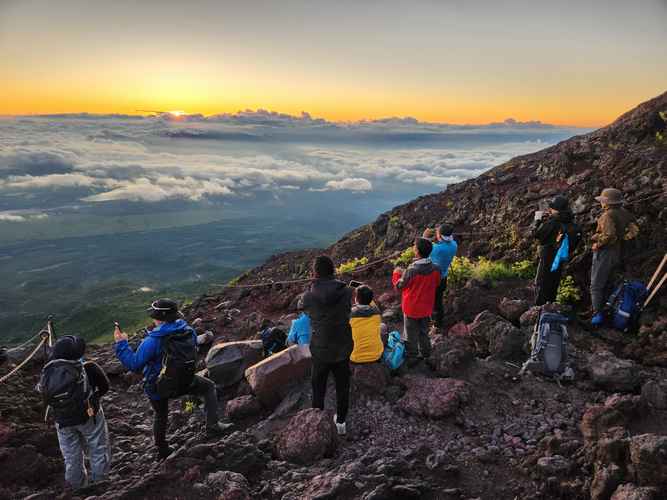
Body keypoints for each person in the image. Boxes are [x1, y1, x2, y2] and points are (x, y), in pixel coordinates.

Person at [114, 298, 230, 459]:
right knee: (208, 387)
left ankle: (162, 450)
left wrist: (121, 343)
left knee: (161, 414)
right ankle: (213, 425)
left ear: (159, 318)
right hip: (185, 381)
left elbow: (134, 365)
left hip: (158, 387)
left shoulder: (153, 340)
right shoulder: (188, 330)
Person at [39, 335, 111, 489]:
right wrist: (94, 398)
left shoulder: (48, 373)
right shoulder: (89, 368)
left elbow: (43, 394)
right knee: (98, 448)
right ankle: (101, 484)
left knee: (71, 456)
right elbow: (105, 387)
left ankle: (77, 488)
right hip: (89, 416)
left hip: (62, 421)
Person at [302, 255, 354, 436]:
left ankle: (318, 422)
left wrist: (312, 284)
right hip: (342, 346)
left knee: (318, 386)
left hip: (320, 348)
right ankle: (341, 422)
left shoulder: (308, 296)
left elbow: (305, 308)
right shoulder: (346, 291)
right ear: (333, 270)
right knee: (343, 386)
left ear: (315, 273)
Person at [590, 188, 639, 326]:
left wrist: (597, 243)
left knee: (596, 285)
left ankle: (597, 314)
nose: (601, 203)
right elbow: (635, 230)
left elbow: (609, 235)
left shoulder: (607, 216)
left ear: (607, 202)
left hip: (605, 252)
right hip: (619, 252)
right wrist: (623, 238)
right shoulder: (625, 213)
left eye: (602, 201)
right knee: (610, 282)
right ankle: (610, 312)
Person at [392, 238, 441, 367]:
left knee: (410, 334)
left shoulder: (412, 270)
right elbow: (436, 283)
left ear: (417, 251)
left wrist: (397, 274)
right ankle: (426, 354)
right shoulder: (436, 268)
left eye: (414, 246)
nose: (413, 247)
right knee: (424, 332)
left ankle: (412, 356)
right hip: (427, 307)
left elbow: (399, 287)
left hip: (411, 308)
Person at [533, 196, 576, 306]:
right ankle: (551, 305)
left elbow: (537, 234)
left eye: (552, 208)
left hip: (548, 256)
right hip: (559, 257)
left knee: (542, 282)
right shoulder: (569, 221)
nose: (550, 210)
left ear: (557, 210)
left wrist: (537, 221)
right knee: (553, 282)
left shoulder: (553, 222)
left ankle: (539, 308)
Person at [429, 223, 458, 328]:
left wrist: (424, 236)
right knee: (438, 300)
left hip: (433, 280)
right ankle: (439, 322)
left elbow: (423, 249)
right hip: (443, 278)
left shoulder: (436, 249)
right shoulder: (454, 245)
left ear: (440, 236)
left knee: (431, 301)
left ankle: (434, 323)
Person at [349, 285, 385, 364]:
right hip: (376, 355)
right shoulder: (377, 313)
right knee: (382, 326)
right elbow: (371, 303)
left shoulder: (350, 314)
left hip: (355, 357)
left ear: (356, 299)